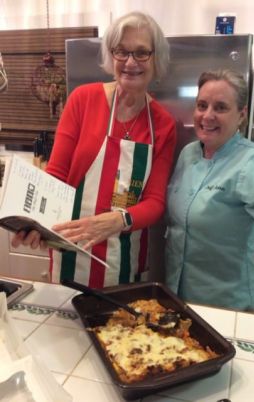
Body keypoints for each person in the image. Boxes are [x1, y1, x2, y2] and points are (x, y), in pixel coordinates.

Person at [12, 11, 176, 288]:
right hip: (70, 254)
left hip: (126, 262)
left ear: (155, 59)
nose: (130, 62)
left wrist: (118, 220)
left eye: (141, 52)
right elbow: (56, 176)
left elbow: (156, 202)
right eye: (121, 51)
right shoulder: (83, 100)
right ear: (111, 57)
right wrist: (35, 223)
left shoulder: (163, 124)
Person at [165, 69, 254, 311]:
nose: (207, 116)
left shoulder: (253, 162)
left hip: (224, 305)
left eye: (220, 108)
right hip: (175, 296)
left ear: (241, 115)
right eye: (202, 105)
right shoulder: (188, 154)